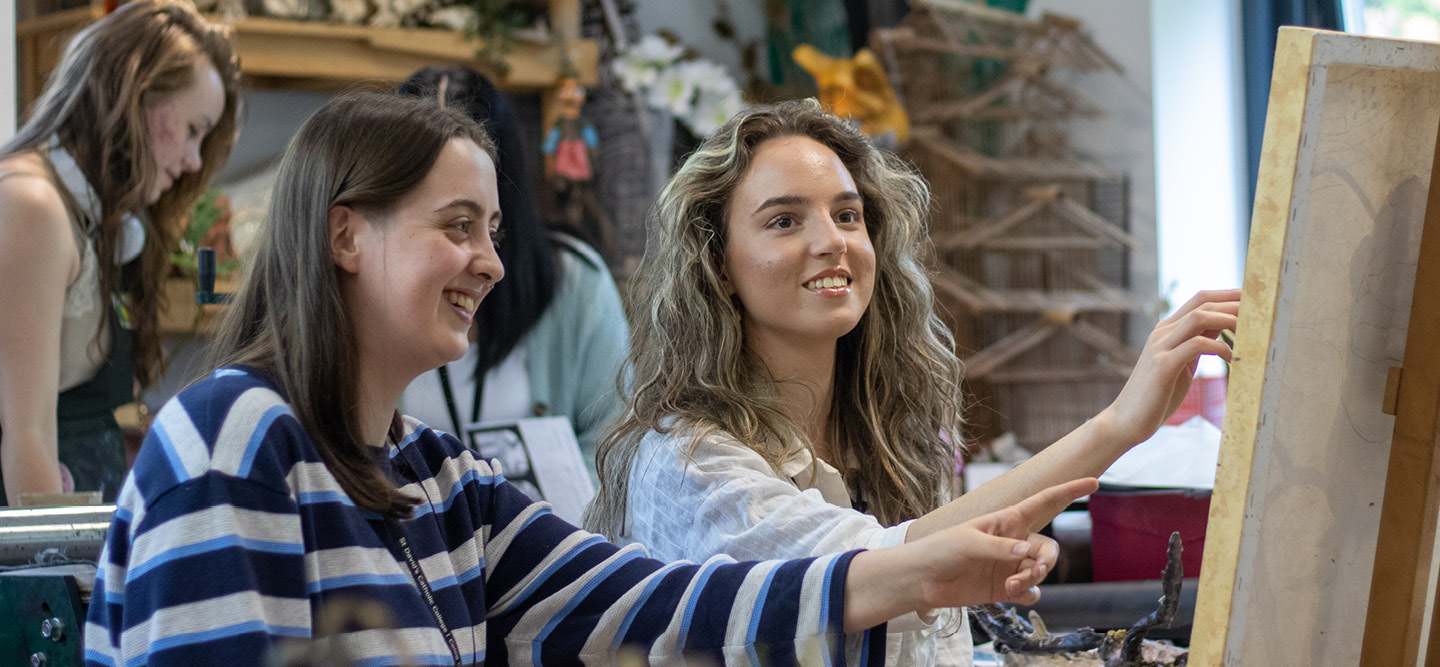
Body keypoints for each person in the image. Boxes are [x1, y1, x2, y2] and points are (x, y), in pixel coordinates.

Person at [84, 91, 1097, 666]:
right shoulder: (232, 441)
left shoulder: (441, 482)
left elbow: (673, 602)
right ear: (345, 234)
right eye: (457, 228)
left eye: (491, 230)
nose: (490, 262)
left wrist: (924, 570)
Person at [583, 99, 1242, 666]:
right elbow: (877, 573)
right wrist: (1118, 426)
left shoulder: (889, 433)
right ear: (718, 266)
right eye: (785, 220)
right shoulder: (687, 461)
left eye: (847, 215)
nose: (831, 241)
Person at [0, 0, 240, 505]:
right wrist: (67, 580)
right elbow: (28, 436)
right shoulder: (32, 205)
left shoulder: (92, 219)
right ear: (138, 98)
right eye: (193, 129)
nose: (195, 159)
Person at [397, 66, 626, 483]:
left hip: (552, 540)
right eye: (446, 219)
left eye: (478, 222)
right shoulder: (364, 294)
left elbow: (619, 443)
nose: (487, 264)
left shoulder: (573, 279)